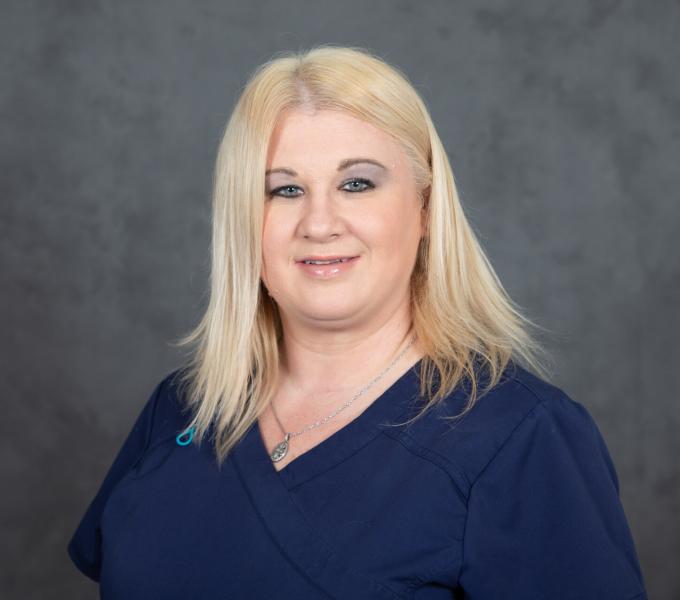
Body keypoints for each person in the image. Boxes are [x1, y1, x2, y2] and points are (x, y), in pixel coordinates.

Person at [67, 45, 648, 599]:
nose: (319, 223)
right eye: (284, 190)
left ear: (424, 209)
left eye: (357, 184)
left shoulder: (521, 436)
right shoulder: (186, 406)